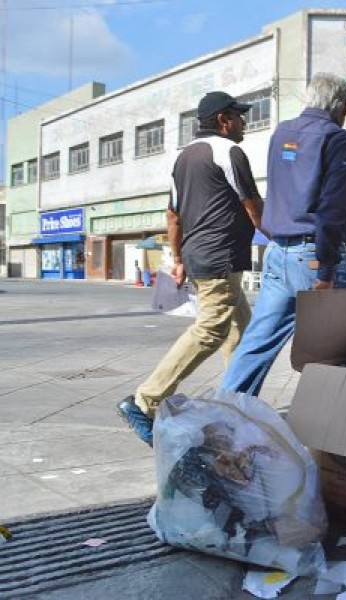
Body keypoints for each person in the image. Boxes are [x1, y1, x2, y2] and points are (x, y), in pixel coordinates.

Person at [117, 91, 264, 446]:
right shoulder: (228, 151)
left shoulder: (183, 159)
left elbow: (173, 214)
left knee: (238, 330)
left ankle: (236, 408)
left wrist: (179, 259)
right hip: (220, 254)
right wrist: (281, 236)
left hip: (201, 255)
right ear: (223, 120)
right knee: (211, 327)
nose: (244, 123)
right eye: (239, 117)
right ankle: (144, 401)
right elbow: (252, 204)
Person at [220, 73, 346, 397]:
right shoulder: (339, 140)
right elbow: (333, 210)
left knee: (256, 345)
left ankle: (221, 421)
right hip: (315, 256)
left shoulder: (282, 133)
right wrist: (326, 271)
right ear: (342, 106)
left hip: (277, 254)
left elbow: (281, 192)